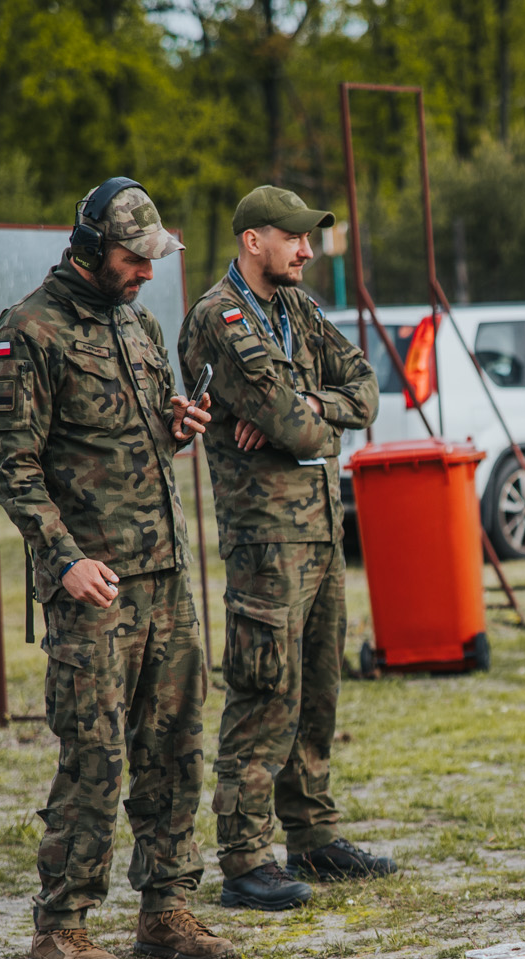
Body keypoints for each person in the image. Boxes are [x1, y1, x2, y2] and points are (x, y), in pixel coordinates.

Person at [0, 177, 233, 959]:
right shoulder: (31, 330)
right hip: (94, 586)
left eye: (153, 259)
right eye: (134, 258)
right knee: (96, 753)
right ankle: (61, 925)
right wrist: (63, 558)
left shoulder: (141, 323)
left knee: (175, 748)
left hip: (165, 575)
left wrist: (178, 424)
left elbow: (147, 430)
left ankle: (165, 908)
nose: (147, 272)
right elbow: (11, 466)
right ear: (91, 249)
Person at [179, 185, 389, 909]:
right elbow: (295, 429)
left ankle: (313, 832)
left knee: (319, 688)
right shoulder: (220, 318)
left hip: (322, 532)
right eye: (292, 237)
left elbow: (364, 390)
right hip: (266, 539)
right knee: (265, 691)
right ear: (252, 242)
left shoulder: (294, 308)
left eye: (306, 238)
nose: (306, 250)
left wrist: (309, 410)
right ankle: (244, 855)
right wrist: (296, 419)